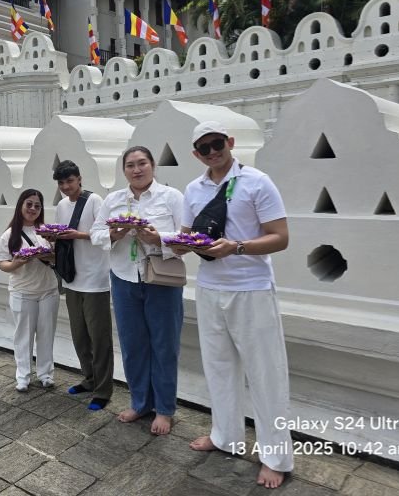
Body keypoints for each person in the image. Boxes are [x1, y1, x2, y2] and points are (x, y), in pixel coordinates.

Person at [179, 120, 293, 489]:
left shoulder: (257, 182)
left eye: (217, 144)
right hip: (210, 286)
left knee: (265, 374)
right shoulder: (193, 189)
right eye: (204, 148)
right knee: (218, 367)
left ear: (229, 142)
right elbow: (185, 237)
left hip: (251, 287)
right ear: (196, 154)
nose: (213, 152)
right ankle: (225, 435)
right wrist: (176, 244)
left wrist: (237, 246)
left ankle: (275, 456)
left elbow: (280, 238)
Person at [89, 146, 184, 435]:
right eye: (130, 165)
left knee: (164, 345)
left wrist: (158, 237)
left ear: (153, 166)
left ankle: (165, 409)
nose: (137, 169)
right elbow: (95, 233)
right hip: (124, 277)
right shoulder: (114, 200)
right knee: (133, 346)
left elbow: (187, 236)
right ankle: (140, 402)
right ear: (124, 170)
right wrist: (114, 233)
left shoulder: (172, 197)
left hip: (161, 280)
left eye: (142, 163)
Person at [50, 160, 113, 411]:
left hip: (95, 279)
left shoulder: (95, 201)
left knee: (99, 338)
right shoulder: (61, 206)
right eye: (62, 183)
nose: (66, 187)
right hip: (72, 277)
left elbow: (105, 235)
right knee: (79, 336)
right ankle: (89, 379)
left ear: (79, 179)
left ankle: (103, 389)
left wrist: (79, 235)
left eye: (70, 181)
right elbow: (60, 236)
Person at [0, 189, 60, 392]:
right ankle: (23, 376)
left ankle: (45, 374)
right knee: (23, 336)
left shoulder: (46, 232)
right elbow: (1, 264)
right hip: (22, 291)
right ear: (21, 206)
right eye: (29, 204)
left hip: (48, 289)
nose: (33, 209)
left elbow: (57, 258)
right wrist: (16, 263)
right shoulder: (10, 235)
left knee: (46, 333)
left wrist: (49, 254)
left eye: (37, 205)